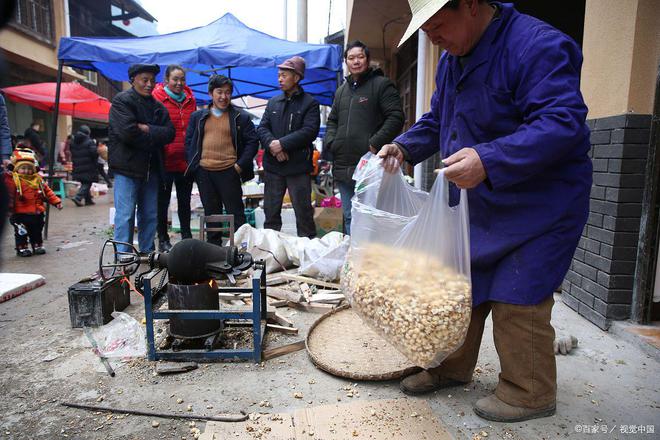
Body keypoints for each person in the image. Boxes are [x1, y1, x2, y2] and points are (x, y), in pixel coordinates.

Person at [378, 0, 592, 423]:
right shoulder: (453, 60)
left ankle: (528, 392)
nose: (432, 38)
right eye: (426, 31)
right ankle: (450, 367)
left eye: (438, 24)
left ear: (472, 6)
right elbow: (438, 118)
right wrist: (405, 147)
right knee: (460, 286)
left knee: (519, 295)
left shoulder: (537, 45)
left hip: (541, 202)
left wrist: (489, 159)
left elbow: (562, 122)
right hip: (483, 200)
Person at [324, 40, 404, 235]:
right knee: (350, 214)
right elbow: (332, 120)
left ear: (368, 60)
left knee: (372, 215)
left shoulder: (381, 85)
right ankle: (355, 261)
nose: (356, 61)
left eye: (360, 57)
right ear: (346, 61)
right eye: (351, 58)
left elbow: (396, 117)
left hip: (371, 165)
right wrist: (331, 142)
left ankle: (374, 259)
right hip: (343, 165)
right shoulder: (341, 91)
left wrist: (374, 143)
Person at [108, 64, 175, 254]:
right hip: (126, 168)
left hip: (151, 169)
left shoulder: (158, 107)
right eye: (144, 80)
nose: (149, 84)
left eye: (152, 80)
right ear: (133, 80)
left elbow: (170, 133)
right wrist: (155, 136)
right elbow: (128, 133)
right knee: (125, 215)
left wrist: (147, 129)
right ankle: (124, 255)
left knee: (150, 215)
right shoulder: (121, 102)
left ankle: (147, 252)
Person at [184, 75, 258, 246]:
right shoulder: (198, 117)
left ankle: (241, 250)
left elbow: (252, 142)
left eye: (227, 93)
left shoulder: (241, 117)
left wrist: (239, 166)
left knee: (236, 214)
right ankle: (214, 250)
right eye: (219, 92)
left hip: (229, 171)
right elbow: (189, 142)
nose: (223, 97)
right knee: (211, 214)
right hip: (205, 172)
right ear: (211, 93)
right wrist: (195, 166)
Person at [257, 56, 320, 238]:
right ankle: (271, 254)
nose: (280, 79)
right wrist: (273, 146)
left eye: (284, 75)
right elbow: (262, 128)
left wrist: (282, 144)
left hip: (298, 168)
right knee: (271, 215)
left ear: (297, 77)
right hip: (273, 167)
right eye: (279, 75)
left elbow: (309, 131)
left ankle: (307, 255)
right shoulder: (273, 102)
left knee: (304, 215)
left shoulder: (310, 103)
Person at [153, 64, 197, 251]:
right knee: (162, 203)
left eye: (182, 79)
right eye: (175, 79)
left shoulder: (190, 99)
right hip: (164, 160)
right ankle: (163, 238)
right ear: (166, 80)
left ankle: (186, 235)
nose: (179, 83)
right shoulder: (157, 99)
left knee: (185, 201)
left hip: (185, 160)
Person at [4, 148, 62, 256]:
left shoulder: (38, 180)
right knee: (21, 233)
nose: (26, 171)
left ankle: (37, 245)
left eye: (29, 168)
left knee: (36, 231)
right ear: (17, 169)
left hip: (36, 213)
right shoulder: (13, 180)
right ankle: (22, 248)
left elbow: (47, 192)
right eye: (23, 168)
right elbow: (8, 193)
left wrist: (56, 202)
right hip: (20, 214)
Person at [70, 125, 99, 206]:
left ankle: (88, 200)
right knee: (87, 183)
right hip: (88, 166)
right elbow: (94, 154)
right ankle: (78, 197)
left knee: (85, 182)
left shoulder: (73, 141)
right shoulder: (89, 141)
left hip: (78, 165)